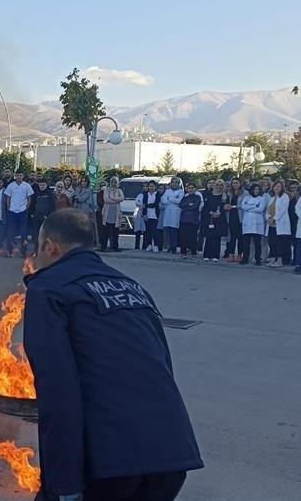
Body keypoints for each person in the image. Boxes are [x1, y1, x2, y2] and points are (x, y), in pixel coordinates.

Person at [23, 208, 202, 501]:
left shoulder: (49, 289)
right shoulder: (133, 288)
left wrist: (63, 486)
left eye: (37, 247)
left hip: (109, 464)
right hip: (171, 456)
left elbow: (58, 393)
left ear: (50, 246)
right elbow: (163, 368)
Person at [4, 172, 35, 258]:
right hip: (12, 211)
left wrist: (26, 208)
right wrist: (9, 208)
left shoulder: (27, 186)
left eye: (20, 175)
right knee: (10, 231)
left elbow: (29, 198)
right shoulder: (11, 185)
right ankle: (9, 251)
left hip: (22, 211)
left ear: (23, 176)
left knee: (23, 232)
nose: (18, 177)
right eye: (17, 175)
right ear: (15, 176)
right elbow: (8, 198)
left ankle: (23, 251)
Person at [265, 181, 290, 268]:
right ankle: (273, 258)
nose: (277, 188)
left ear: (282, 188)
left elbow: (283, 210)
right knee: (272, 242)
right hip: (271, 224)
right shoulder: (271, 197)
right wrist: (268, 218)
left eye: (279, 186)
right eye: (275, 186)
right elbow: (268, 210)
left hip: (280, 223)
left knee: (279, 242)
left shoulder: (285, 197)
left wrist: (274, 218)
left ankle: (279, 260)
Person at [240, 183, 266, 265]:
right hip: (247, 223)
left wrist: (249, 207)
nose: (256, 191)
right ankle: (245, 259)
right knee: (246, 243)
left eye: (258, 189)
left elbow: (260, 209)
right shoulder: (247, 197)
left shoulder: (261, 199)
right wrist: (254, 206)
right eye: (255, 189)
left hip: (257, 224)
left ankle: (258, 259)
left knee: (257, 243)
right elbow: (243, 206)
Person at [200, 180, 225, 261]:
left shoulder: (224, 197)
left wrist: (218, 213)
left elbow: (224, 207)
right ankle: (207, 255)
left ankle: (215, 256)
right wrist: (210, 212)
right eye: (217, 185)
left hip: (220, 219)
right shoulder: (209, 195)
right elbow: (205, 207)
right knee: (209, 236)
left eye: (221, 185)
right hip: (209, 218)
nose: (219, 186)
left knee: (217, 237)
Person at [100, 177, 125, 252]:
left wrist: (112, 198)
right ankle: (103, 246)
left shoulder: (119, 190)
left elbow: (122, 198)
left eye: (115, 182)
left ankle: (115, 247)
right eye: (112, 182)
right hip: (107, 213)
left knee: (115, 231)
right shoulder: (106, 190)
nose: (113, 183)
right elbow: (106, 199)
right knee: (105, 231)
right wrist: (116, 200)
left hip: (116, 213)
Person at [223, 178, 245, 262]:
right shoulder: (229, 193)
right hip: (231, 217)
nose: (235, 185)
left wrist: (233, 206)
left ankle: (239, 254)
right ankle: (231, 254)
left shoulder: (245, 193)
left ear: (240, 184)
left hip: (240, 217)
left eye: (237, 183)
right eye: (233, 183)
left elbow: (244, 204)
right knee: (231, 237)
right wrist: (225, 206)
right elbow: (225, 202)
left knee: (240, 238)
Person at [135, 181, 161, 252]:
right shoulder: (145, 194)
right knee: (147, 231)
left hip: (155, 215)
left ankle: (155, 245)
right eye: (150, 186)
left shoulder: (157, 194)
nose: (151, 188)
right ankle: (149, 245)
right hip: (147, 215)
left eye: (153, 186)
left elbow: (155, 204)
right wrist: (144, 214)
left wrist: (147, 205)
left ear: (155, 187)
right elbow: (143, 205)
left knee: (154, 231)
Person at [160, 177, 184, 254]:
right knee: (168, 231)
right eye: (172, 182)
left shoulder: (181, 192)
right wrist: (173, 199)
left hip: (176, 214)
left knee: (174, 231)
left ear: (178, 184)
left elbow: (179, 201)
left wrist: (169, 199)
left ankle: (174, 247)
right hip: (167, 213)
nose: (174, 184)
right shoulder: (167, 191)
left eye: (175, 182)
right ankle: (168, 247)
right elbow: (163, 200)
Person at [31, 179, 55, 254]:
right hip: (36, 216)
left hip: (45, 217)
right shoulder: (36, 193)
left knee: (45, 234)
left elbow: (52, 206)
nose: (42, 186)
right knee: (36, 234)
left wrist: (49, 216)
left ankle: (44, 251)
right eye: (41, 185)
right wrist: (32, 214)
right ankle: (36, 250)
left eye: (43, 185)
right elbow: (32, 204)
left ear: (46, 185)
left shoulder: (50, 194)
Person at [178, 182, 201, 259]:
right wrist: (188, 204)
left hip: (193, 220)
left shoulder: (197, 197)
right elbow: (180, 205)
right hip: (184, 220)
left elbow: (195, 206)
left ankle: (194, 252)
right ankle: (183, 252)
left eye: (192, 188)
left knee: (193, 237)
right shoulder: (185, 197)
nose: (190, 190)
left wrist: (186, 207)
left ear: (195, 189)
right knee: (183, 237)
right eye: (189, 188)